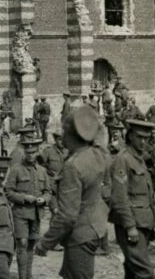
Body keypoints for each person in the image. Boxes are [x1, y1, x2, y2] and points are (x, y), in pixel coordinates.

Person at [35, 105, 109, 279]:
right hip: (95, 228)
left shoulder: (73, 166)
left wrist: (46, 242)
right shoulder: (98, 154)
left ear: (71, 135)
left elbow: (67, 216)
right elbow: (100, 139)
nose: (62, 135)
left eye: (65, 130)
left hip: (79, 235)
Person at [109, 119, 155, 278]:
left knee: (132, 269)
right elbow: (119, 197)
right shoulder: (123, 159)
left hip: (143, 222)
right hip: (132, 224)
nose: (143, 142)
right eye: (139, 137)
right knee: (145, 273)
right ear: (130, 136)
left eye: (146, 138)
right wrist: (130, 226)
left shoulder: (139, 158)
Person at [5, 138, 52, 279]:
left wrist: (44, 199)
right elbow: (8, 192)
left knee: (31, 244)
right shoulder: (16, 170)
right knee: (22, 243)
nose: (30, 155)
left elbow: (48, 192)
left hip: (36, 213)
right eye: (28, 152)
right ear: (24, 152)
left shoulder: (42, 171)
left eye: (33, 152)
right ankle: (22, 276)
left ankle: (28, 275)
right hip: (20, 213)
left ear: (37, 152)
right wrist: (24, 198)